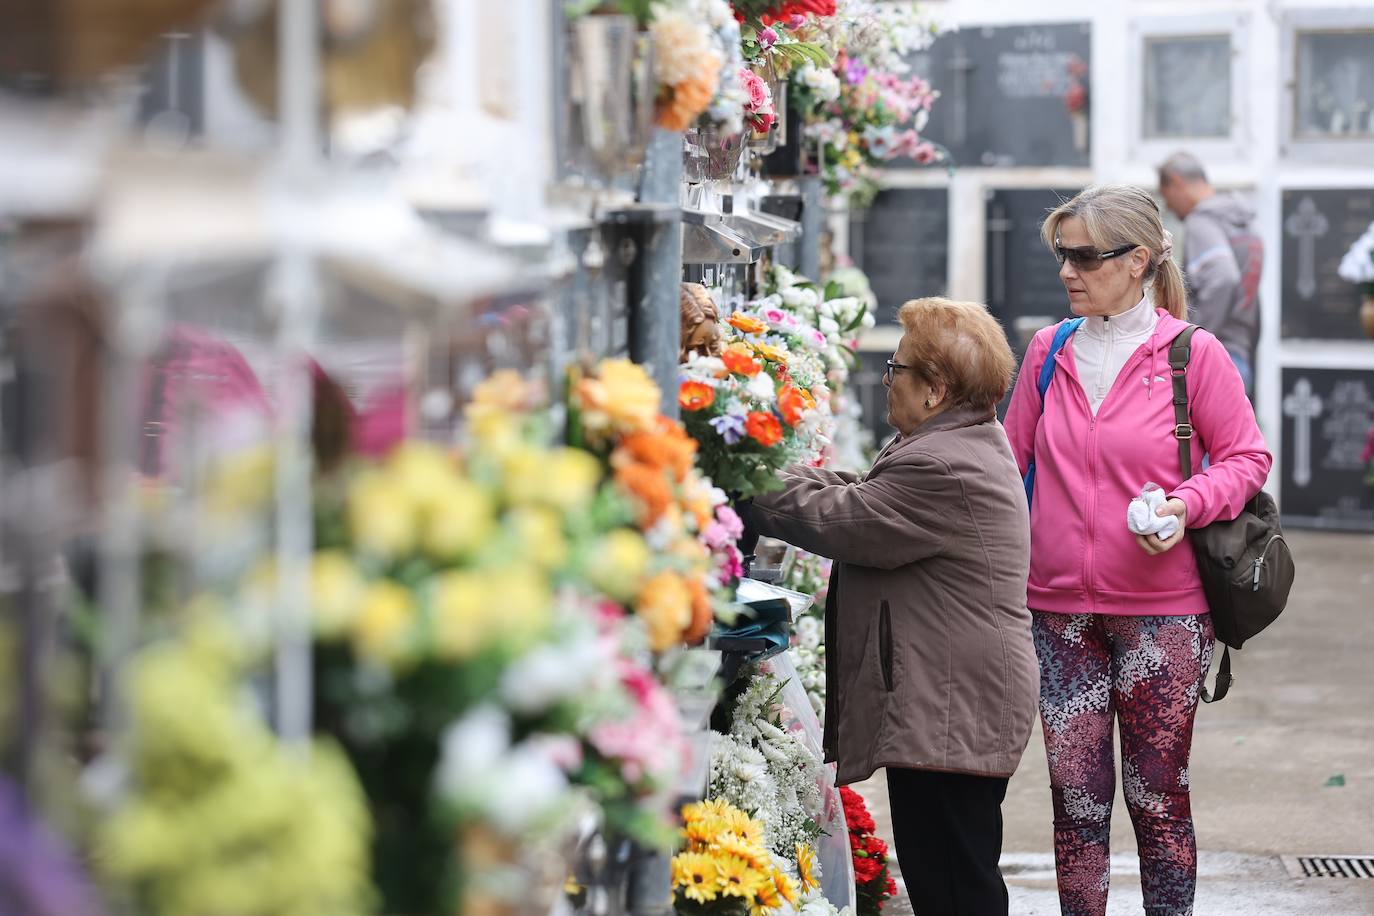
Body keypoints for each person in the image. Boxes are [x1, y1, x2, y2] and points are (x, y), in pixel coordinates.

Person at [1004, 184, 1272, 916]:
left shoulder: (1193, 355)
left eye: (1086, 256)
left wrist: (1185, 504)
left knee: (1158, 799)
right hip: (1057, 613)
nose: (1068, 271)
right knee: (1075, 804)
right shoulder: (1047, 351)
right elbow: (1007, 463)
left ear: (1139, 261)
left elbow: (1246, 459)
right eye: (1064, 254)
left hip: (1165, 616)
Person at [739, 297, 1038, 916]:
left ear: (935, 389)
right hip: (948, 702)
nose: (885, 381)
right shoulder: (953, 441)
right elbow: (859, 492)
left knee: (955, 885)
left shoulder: (942, 462)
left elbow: (848, 520)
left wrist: (740, 479)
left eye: (895, 369)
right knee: (948, 874)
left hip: (951, 706)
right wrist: (771, 469)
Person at [1157, 151, 1263, 398]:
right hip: (1239, 354)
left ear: (1177, 182)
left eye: (1166, 197)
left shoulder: (1201, 222)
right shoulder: (1244, 224)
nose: (1169, 207)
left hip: (1211, 360)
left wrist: (1192, 340)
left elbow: (1222, 279)